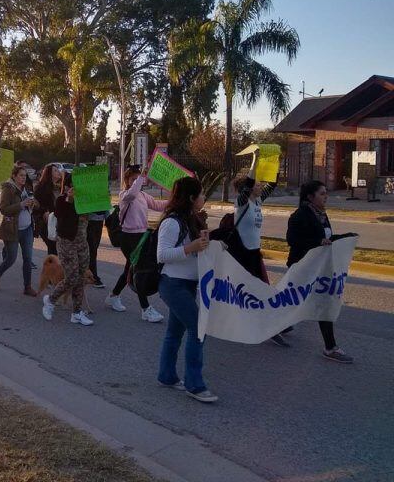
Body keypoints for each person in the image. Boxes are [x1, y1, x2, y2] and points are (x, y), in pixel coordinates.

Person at [156, 176, 217, 403]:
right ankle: (195, 384)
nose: (203, 198)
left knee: (175, 332)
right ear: (191, 197)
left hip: (189, 284)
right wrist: (190, 247)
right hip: (173, 284)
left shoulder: (192, 219)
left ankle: (167, 376)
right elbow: (162, 255)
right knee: (197, 330)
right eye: (201, 194)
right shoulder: (171, 222)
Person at [286, 180, 354, 363]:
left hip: (317, 269)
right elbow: (292, 240)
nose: (326, 197)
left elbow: (326, 238)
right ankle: (330, 347)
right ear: (310, 197)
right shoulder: (300, 215)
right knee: (296, 302)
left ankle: (329, 347)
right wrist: (317, 243)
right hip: (301, 268)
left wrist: (345, 238)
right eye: (322, 194)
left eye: (326, 193)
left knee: (318, 303)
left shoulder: (321, 215)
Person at [231, 151, 286, 347]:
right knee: (257, 290)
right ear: (246, 189)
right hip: (243, 254)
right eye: (256, 184)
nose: (260, 185)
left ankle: (268, 322)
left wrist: (276, 162)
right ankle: (269, 325)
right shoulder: (241, 203)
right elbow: (248, 184)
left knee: (255, 290)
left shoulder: (258, 201)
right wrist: (255, 159)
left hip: (255, 253)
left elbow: (273, 184)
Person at [105, 166, 167, 322]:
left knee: (129, 268)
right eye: (132, 179)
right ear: (127, 180)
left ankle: (113, 296)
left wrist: (175, 199)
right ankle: (146, 309)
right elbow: (132, 192)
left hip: (142, 236)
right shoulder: (125, 195)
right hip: (129, 238)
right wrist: (140, 178)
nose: (136, 182)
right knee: (140, 270)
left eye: (138, 178)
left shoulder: (143, 195)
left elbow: (158, 205)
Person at [42, 173, 93, 325]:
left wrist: (102, 197)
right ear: (68, 186)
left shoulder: (86, 199)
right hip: (66, 243)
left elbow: (100, 212)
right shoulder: (61, 200)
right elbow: (58, 213)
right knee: (71, 277)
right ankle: (50, 301)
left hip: (82, 244)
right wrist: (69, 200)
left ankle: (76, 313)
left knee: (81, 278)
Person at [0, 165, 37, 296]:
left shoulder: (27, 188)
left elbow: (35, 202)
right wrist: (21, 204)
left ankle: (27, 287)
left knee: (28, 258)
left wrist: (34, 203)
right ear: (14, 176)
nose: (23, 178)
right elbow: (4, 209)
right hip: (12, 229)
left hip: (27, 228)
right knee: (11, 258)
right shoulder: (9, 189)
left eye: (25, 175)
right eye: (21, 175)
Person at [33, 163, 63, 255]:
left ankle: (54, 268)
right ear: (49, 174)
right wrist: (44, 212)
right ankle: (51, 268)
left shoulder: (61, 188)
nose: (58, 172)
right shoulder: (41, 188)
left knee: (59, 250)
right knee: (53, 248)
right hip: (47, 223)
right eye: (55, 170)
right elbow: (36, 206)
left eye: (58, 170)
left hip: (60, 222)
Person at [87, 210, 108, 288]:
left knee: (93, 248)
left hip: (99, 220)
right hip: (89, 220)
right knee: (92, 250)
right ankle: (93, 277)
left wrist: (107, 217)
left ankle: (89, 275)